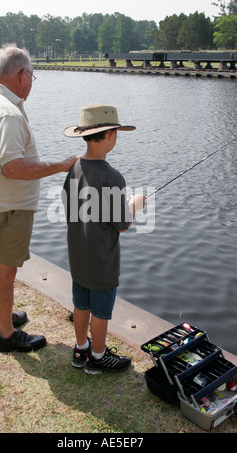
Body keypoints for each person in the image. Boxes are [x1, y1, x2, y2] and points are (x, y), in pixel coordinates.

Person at [0, 44, 79, 353]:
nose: (32, 81)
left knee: (0, 268)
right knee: (5, 272)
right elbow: (13, 168)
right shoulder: (5, 111)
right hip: (7, 207)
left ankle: (4, 318)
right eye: (32, 75)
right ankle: (6, 335)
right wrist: (61, 166)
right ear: (20, 74)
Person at [62, 103, 145, 374]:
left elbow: (70, 208)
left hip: (77, 255)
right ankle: (98, 357)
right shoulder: (112, 177)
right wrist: (135, 203)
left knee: (80, 303)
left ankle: (80, 348)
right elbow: (121, 225)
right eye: (117, 132)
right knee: (100, 311)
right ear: (110, 135)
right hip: (102, 260)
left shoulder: (73, 168)